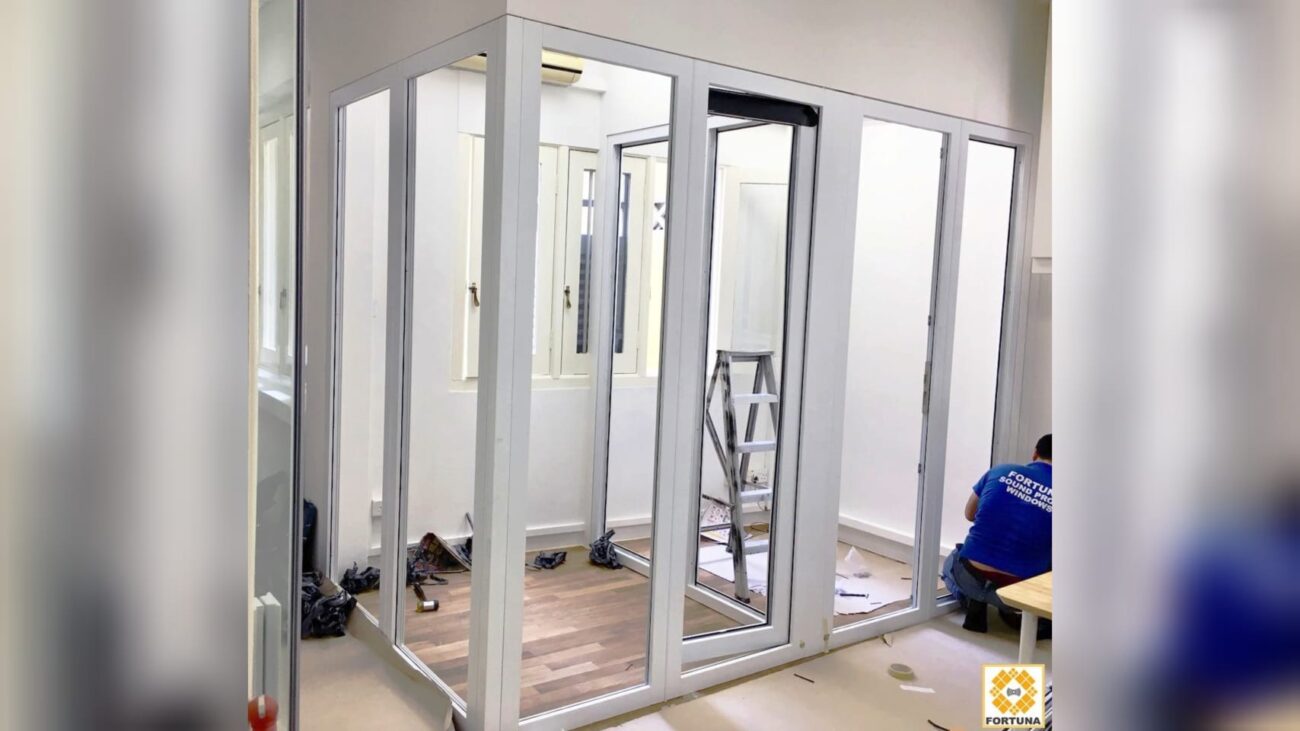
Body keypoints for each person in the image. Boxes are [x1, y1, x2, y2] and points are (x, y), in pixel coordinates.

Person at [942, 433, 1052, 633]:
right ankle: (1020, 614)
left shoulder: (1001, 470)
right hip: (1018, 592)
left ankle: (974, 600)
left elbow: (969, 514)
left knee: (951, 561)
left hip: (970, 575)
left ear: (1035, 453)